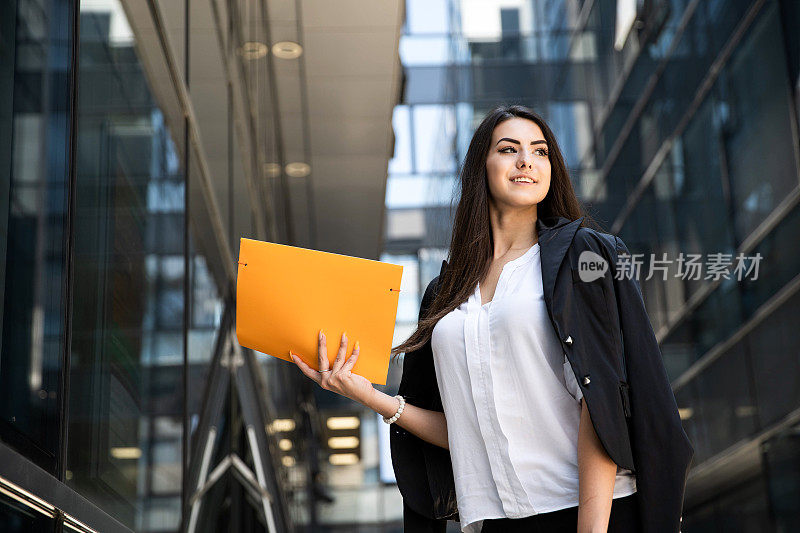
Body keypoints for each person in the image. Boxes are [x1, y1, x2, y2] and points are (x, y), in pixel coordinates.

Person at [289, 104, 693, 533]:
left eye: (540, 152)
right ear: (481, 166)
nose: (527, 161)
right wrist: (369, 396)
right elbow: (468, 431)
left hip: (593, 513)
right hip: (497, 520)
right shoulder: (444, 295)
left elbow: (599, 405)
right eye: (509, 149)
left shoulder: (582, 256)